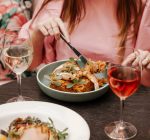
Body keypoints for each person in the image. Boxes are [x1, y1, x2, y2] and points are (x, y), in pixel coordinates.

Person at [19, 0, 150, 86]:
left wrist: (145, 61)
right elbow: (28, 65)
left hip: (116, 98)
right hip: (64, 96)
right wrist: (38, 33)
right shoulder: (59, 3)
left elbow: (143, 76)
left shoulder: (140, 5)